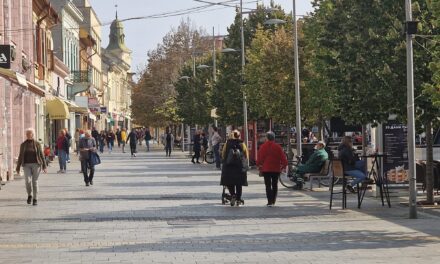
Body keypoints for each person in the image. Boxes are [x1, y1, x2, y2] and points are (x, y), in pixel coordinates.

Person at [16, 128, 47, 206]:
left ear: (33, 134)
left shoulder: (37, 144)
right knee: (27, 181)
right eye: (27, 134)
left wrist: (44, 165)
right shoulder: (23, 145)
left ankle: (35, 198)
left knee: (34, 182)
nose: (28, 135)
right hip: (26, 165)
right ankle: (30, 195)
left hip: (36, 165)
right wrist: (18, 167)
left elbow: (41, 155)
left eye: (29, 133)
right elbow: (20, 156)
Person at [257, 131, 288, 207]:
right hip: (276, 168)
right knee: (275, 185)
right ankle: (273, 200)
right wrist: (283, 166)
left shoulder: (263, 147)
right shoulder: (278, 147)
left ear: (267, 138)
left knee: (268, 185)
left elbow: (259, 158)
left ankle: (269, 201)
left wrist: (259, 165)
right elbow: (283, 158)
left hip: (266, 169)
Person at [220, 130, 248, 206]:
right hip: (239, 167)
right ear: (239, 136)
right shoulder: (242, 144)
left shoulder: (227, 143)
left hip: (228, 167)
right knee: (239, 184)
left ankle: (233, 195)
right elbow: (246, 155)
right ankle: (238, 199)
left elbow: (223, 154)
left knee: (229, 182)